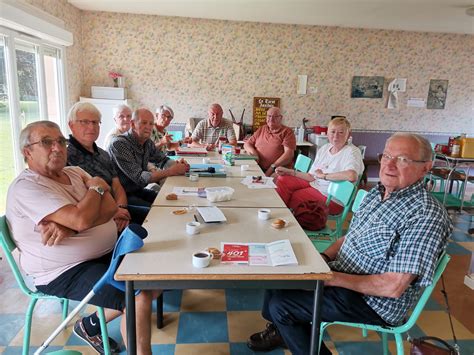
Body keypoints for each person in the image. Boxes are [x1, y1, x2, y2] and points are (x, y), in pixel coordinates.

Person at [247, 133, 453, 354]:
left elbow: (393, 287)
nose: (389, 165)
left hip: (375, 302)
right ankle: (283, 330)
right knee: (279, 274)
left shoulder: (425, 214)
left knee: (283, 306)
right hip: (345, 278)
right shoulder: (377, 194)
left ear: (426, 167)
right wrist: (323, 259)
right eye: (387, 156)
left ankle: (285, 326)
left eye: (403, 159)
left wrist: (332, 279)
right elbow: (349, 238)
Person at [6, 121, 160, 354]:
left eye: (60, 141)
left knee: (155, 276)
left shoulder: (75, 172)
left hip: (105, 252)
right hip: (65, 270)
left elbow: (109, 210)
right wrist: (96, 189)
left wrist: (75, 225)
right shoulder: (27, 187)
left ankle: (91, 324)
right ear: (27, 152)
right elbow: (82, 218)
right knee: (138, 294)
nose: (57, 147)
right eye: (47, 142)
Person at [67, 102, 149, 227]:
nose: (91, 127)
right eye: (84, 122)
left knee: (159, 216)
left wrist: (121, 208)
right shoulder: (66, 157)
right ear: (71, 125)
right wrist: (113, 213)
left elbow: (117, 186)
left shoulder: (103, 154)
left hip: (118, 210)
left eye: (95, 122)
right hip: (95, 218)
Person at [274, 117, 364, 215]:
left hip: (333, 198)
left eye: (341, 132)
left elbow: (352, 175)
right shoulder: (325, 148)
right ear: (327, 133)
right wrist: (289, 171)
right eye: (333, 132)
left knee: (296, 196)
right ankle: (279, 214)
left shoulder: (352, 151)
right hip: (316, 185)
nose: (336, 136)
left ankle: (284, 218)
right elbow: (311, 176)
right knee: (283, 180)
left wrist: (324, 176)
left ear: (348, 135)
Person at [108, 108, 189, 207]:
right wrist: (171, 171)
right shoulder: (119, 144)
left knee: (170, 202)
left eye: (151, 124)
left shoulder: (147, 142)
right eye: (144, 123)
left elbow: (162, 159)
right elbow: (140, 178)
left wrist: (179, 165)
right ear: (133, 124)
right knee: (158, 210)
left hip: (138, 190)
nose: (148, 127)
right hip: (122, 197)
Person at [244, 107, 296, 176]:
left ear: (280, 118)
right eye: (269, 116)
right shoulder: (262, 128)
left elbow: (289, 155)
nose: (271, 119)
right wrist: (254, 153)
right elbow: (247, 144)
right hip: (258, 167)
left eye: (275, 116)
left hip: (278, 170)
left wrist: (272, 167)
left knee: (264, 184)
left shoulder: (287, 132)